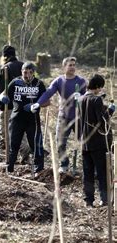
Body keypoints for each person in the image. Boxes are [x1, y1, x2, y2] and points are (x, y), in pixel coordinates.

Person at [31, 57, 87, 173]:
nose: (72, 67)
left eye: (73, 65)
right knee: (60, 142)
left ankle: (89, 167)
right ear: (64, 67)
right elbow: (49, 92)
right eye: (70, 65)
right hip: (64, 117)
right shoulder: (59, 81)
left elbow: (88, 97)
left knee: (84, 143)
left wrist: (81, 97)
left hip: (78, 117)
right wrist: (38, 103)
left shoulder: (81, 81)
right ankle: (64, 164)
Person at [1, 62, 47, 175]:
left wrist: (36, 105)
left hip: (33, 120)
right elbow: (2, 94)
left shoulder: (39, 84)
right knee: (14, 144)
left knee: (35, 144)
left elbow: (47, 101)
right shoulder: (16, 82)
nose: (27, 75)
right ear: (21, 71)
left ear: (34, 73)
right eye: (25, 72)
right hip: (17, 119)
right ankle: (10, 166)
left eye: (30, 72)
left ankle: (39, 169)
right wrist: (4, 98)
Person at [78, 74, 114, 207]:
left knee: (87, 173)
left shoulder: (81, 98)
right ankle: (104, 200)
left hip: (85, 142)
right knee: (102, 172)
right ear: (98, 86)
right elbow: (102, 121)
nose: (100, 90)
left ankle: (88, 201)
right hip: (98, 143)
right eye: (100, 87)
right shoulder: (96, 100)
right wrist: (110, 110)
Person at [0, 45, 24, 139]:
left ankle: (13, 152)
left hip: (8, 106)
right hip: (23, 105)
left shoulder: (5, 68)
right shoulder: (24, 66)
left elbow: (1, 90)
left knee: (4, 133)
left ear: (5, 56)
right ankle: (26, 151)